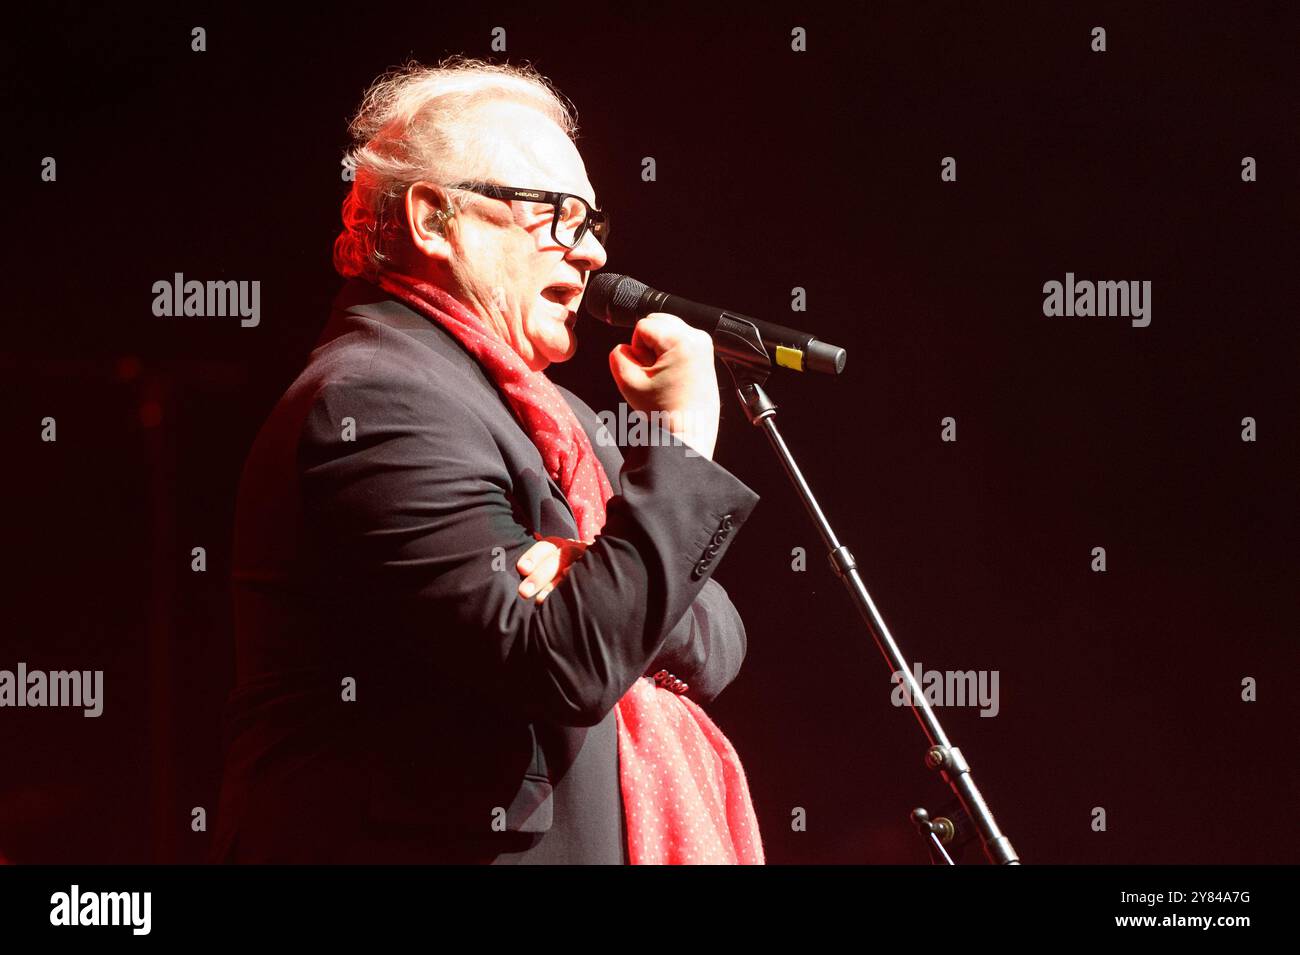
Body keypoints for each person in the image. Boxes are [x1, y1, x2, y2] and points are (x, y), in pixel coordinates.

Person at [211, 57, 763, 864]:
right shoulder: (376, 399)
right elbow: (566, 662)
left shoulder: (556, 415)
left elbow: (719, 641)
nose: (588, 256)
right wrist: (677, 447)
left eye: (593, 225)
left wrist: (594, 574)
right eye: (559, 215)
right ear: (435, 219)